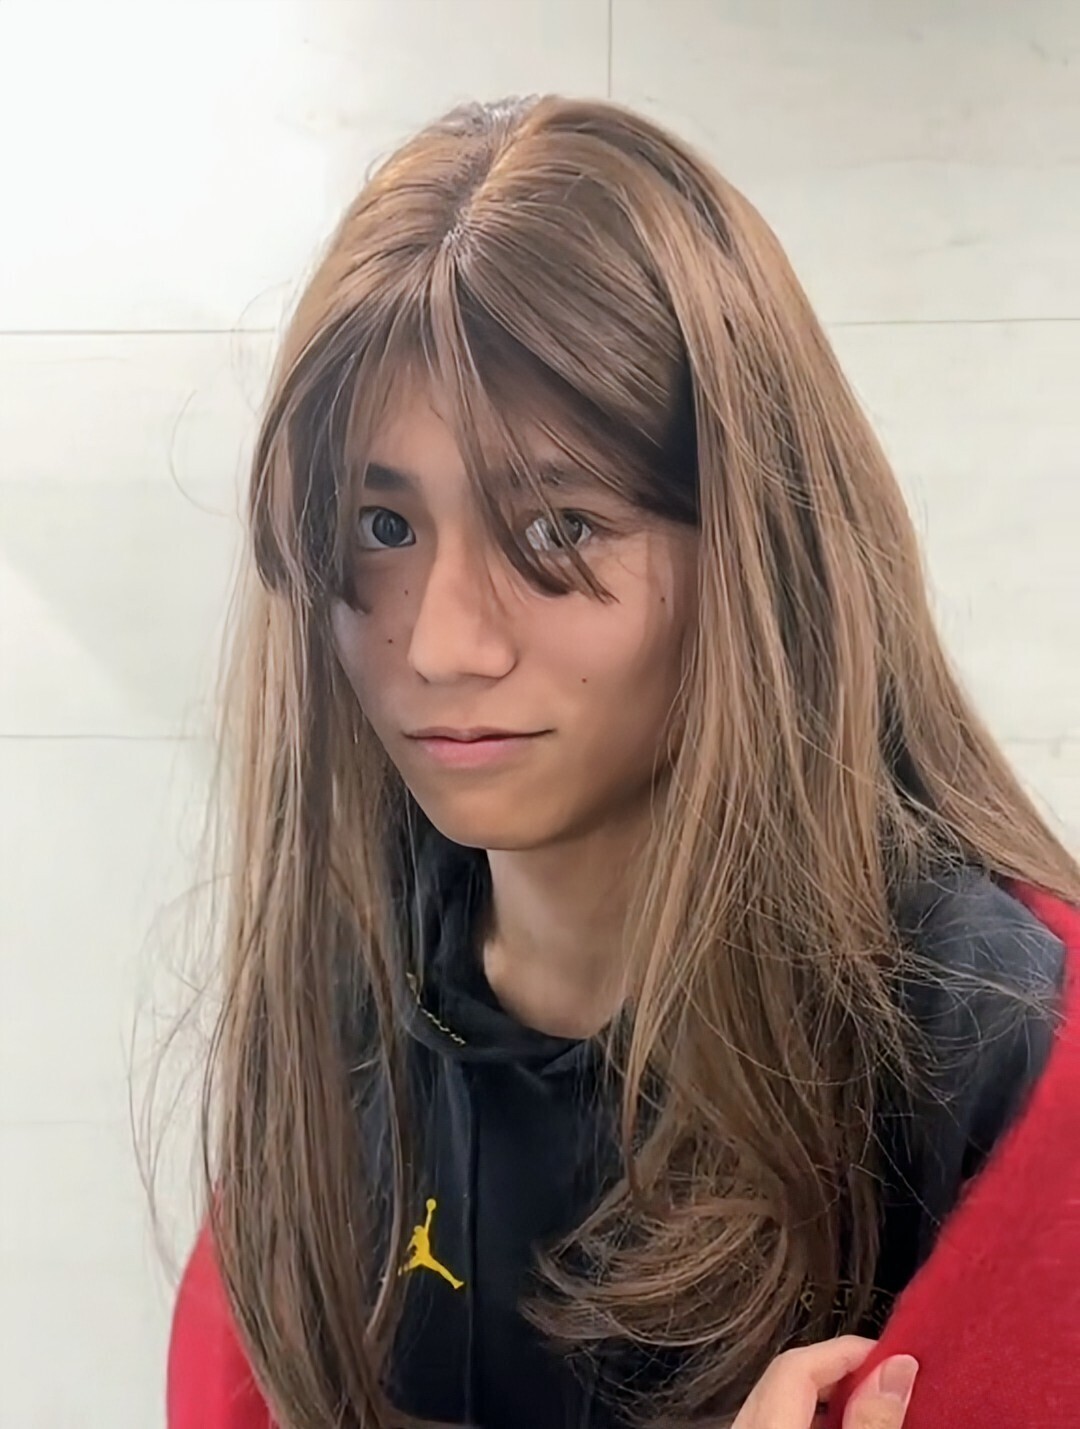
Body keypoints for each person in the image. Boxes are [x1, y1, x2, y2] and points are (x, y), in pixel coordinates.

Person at [165, 96, 1080, 1429]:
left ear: (752, 550)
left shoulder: (989, 1047)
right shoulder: (334, 1020)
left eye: (557, 526)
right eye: (382, 525)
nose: (444, 643)